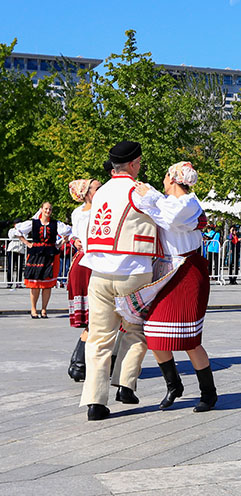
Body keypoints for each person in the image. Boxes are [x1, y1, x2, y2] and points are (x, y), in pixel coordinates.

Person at [119, 162, 218, 412]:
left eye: (165, 175)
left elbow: (171, 218)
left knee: (189, 339)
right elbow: (148, 208)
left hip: (187, 270)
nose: (163, 180)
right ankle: (173, 384)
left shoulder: (188, 203)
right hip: (166, 270)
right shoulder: (164, 201)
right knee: (154, 333)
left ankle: (209, 393)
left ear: (173, 179)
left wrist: (150, 195)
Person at [79, 141, 161, 421]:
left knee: (99, 339)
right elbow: (167, 216)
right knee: (135, 330)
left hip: (99, 272)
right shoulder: (140, 190)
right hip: (133, 270)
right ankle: (126, 385)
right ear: (135, 163)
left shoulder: (100, 191)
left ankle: (95, 402)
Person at [67, 178, 101, 381]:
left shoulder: (102, 208)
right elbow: (74, 233)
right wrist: (74, 240)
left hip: (94, 261)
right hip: (86, 264)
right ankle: (79, 363)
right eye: (97, 188)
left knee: (99, 318)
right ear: (86, 193)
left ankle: (80, 363)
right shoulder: (79, 212)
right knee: (97, 317)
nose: (101, 190)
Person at [15, 202, 72, 318]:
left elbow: (69, 232)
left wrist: (59, 243)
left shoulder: (56, 224)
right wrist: (27, 243)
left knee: (47, 284)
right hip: (36, 254)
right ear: (41, 209)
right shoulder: (33, 223)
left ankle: (44, 309)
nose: (48, 211)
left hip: (50, 254)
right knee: (35, 284)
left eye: (50, 209)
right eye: (46, 209)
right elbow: (17, 231)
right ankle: (33, 309)